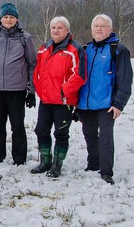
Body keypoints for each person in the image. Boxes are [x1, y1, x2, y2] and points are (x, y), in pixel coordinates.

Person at [78, 14, 133, 185]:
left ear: (110, 29)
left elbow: (125, 79)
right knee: (89, 134)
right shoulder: (86, 49)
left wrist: (119, 104)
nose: (99, 29)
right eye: (96, 26)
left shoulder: (118, 49)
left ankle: (106, 170)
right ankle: (93, 163)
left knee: (106, 137)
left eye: (103, 26)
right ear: (92, 29)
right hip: (86, 103)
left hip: (107, 103)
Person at [0, 3, 37, 169]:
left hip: (17, 90)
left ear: (17, 19)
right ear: (0, 19)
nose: (8, 20)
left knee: (17, 125)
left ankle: (19, 159)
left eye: (11, 17)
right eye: (5, 17)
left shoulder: (25, 38)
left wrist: (31, 91)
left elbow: (32, 64)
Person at [31, 16, 86, 177]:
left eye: (59, 28)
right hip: (46, 99)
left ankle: (56, 164)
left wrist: (64, 91)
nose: (56, 30)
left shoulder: (74, 49)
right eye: (53, 28)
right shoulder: (43, 48)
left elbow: (80, 75)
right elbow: (37, 71)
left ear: (67, 30)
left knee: (61, 133)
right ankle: (45, 161)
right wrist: (40, 89)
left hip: (63, 102)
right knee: (41, 130)